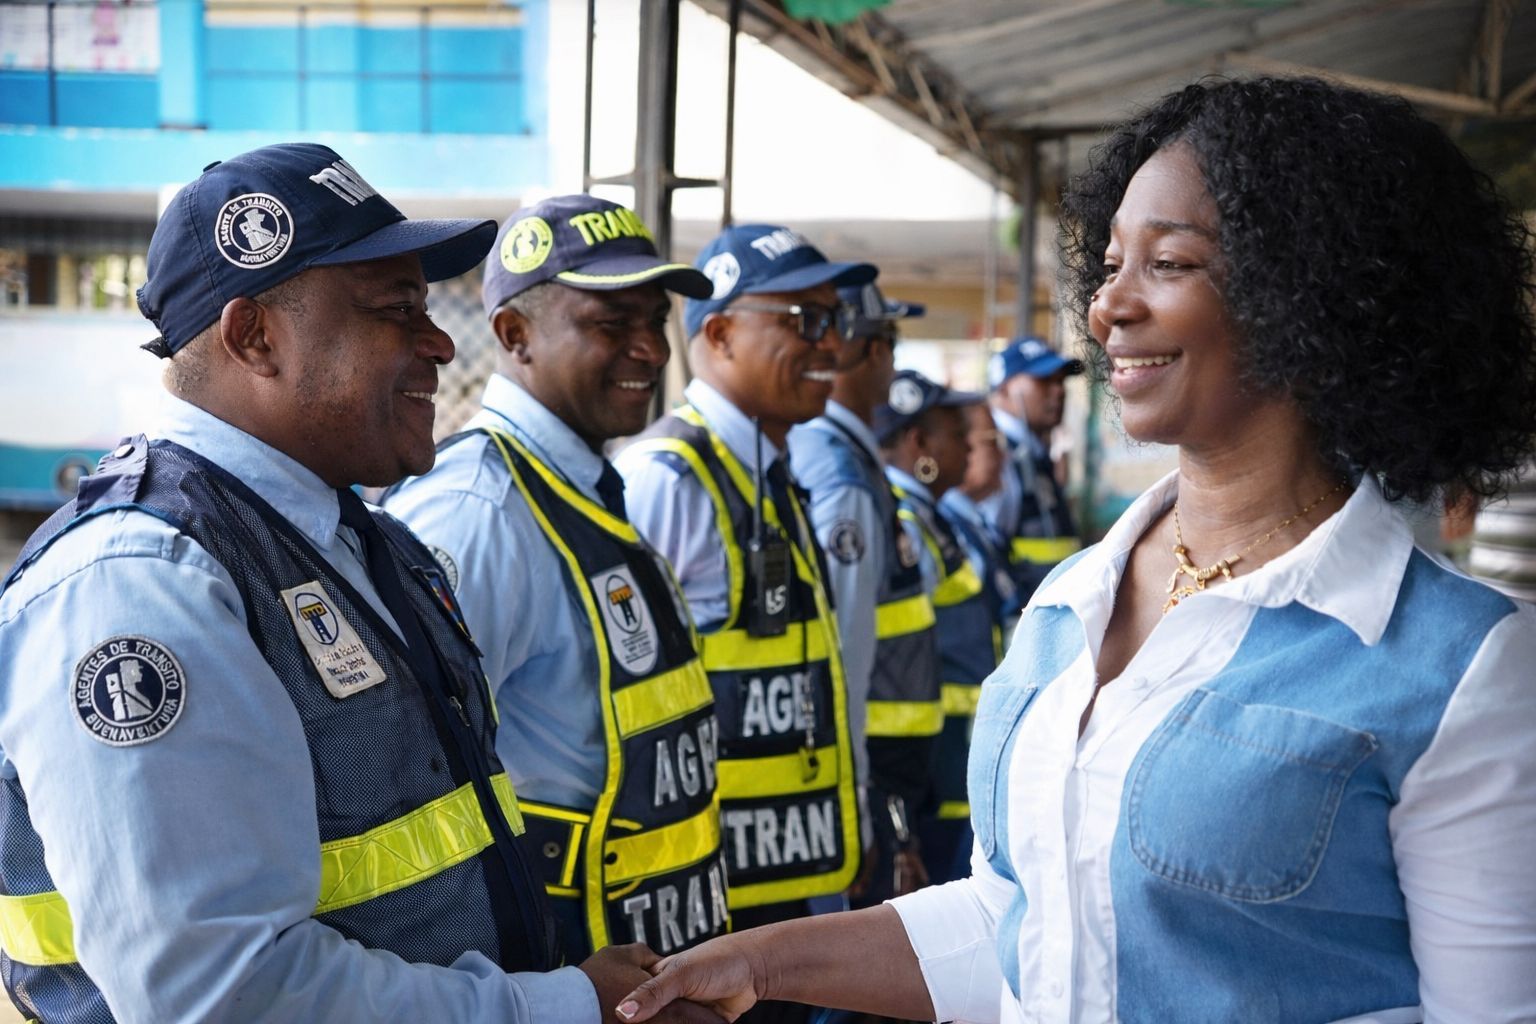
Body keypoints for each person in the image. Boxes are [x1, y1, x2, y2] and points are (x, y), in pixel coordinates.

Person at [613, 75, 1536, 1024]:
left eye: (1169, 264)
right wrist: (757, 964)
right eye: (1107, 266)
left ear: (1310, 293)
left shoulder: (1464, 667)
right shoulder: (1070, 604)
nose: (1107, 309)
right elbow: (1020, 924)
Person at [0, 144, 712, 1024]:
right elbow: (221, 996)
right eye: (396, 311)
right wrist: (560, 1007)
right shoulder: (135, 589)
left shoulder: (354, 538)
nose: (443, 343)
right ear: (253, 336)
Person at [382, 195, 732, 966]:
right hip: (561, 971)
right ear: (514, 335)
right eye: (612, 325)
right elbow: (414, 786)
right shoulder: (479, 516)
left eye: (655, 321)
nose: (650, 350)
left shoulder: (579, 486)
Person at [615, 224, 873, 1024]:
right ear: (718, 333)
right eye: (804, 319)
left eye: (837, 321)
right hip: (713, 903)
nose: (830, 343)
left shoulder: (771, 473)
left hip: (791, 875)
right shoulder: (666, 480)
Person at [787, 282, 940, 908]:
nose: (893, 362)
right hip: (866, 768)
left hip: (875, 764)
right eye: (888, 343)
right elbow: (842, 654)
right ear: (870, 353)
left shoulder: (847, 458)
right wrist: (849, 803)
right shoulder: (840, 473)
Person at [873, 370, 998, 891]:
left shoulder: (929, 516)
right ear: (918, 442)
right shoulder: (904, 521)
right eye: (955, 433)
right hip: (924, 757)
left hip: (948, 749)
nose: (970, 446)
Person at [982, 336, 1083, 608]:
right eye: (1044, 380)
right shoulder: (996, 456)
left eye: (1060, 381)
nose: (1059, 391)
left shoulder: (1033, 453)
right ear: (1004, 389)